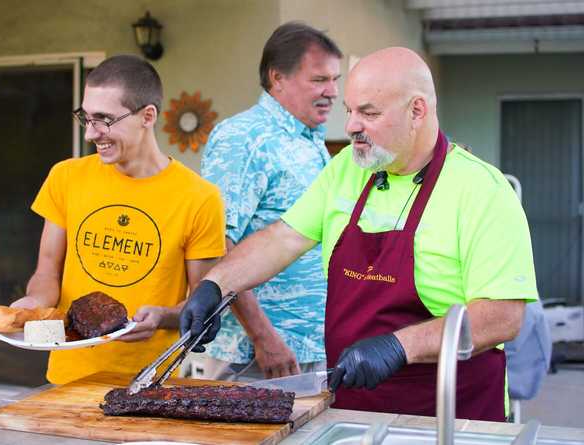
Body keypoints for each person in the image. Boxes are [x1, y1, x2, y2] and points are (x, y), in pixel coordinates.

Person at [180, 47, 538, 421]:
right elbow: (282, 238)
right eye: (349, 111)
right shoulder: (346, 171)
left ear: (417, 110)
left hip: (451, 416)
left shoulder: (482, 190)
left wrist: (400, 346)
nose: (351, 126)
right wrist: (216, 285)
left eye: (368, 113)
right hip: (353, 415)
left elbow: (503, 316)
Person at [11, 55, 226, 384]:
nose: (90, 134)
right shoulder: (65, 177)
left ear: (147, 116)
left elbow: (201, 305)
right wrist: (33, 304)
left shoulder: (200, 198)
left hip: (152, 384)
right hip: (68, 379)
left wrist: (163, 317)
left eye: (104, 120)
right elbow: (46, 272)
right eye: (86, 117)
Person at [198, 22, 342, 381]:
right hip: (255, 355)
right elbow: (216, 245)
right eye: (320, 80)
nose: (333, 91)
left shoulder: (309, 139)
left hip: (307, 347)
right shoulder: (244, 137)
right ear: (278, 78)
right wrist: (264, 337)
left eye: (335, 80)